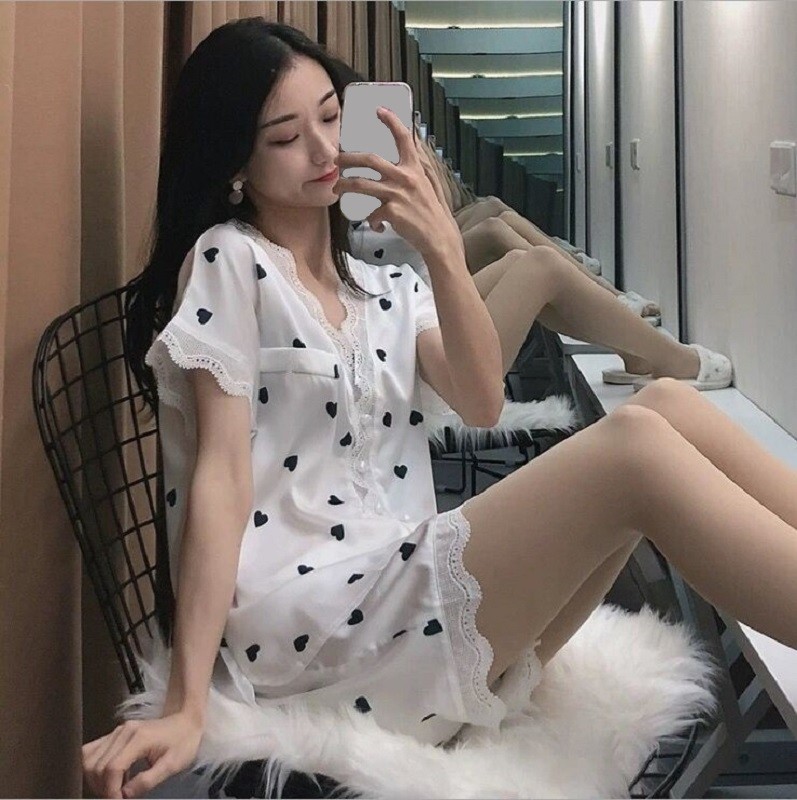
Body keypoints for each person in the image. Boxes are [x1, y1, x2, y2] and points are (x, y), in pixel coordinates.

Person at [83, 18, 797, 800]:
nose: (324, 150)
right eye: (286, 137)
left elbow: (481, 400)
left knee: (664, 402)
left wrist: (442, 252)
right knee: (633, 448)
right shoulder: (232, 259)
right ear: (234, 165)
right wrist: (188, 703)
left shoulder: (381, 286)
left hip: (403, 600)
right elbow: (218, 479)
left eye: (332, 117)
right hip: (312, 629)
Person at [351, 133, 726, 389]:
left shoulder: (359, 186)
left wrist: (425, 167)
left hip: (410, 302)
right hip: (402, 328)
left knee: (523, 254)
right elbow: (439, 229)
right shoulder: (343, 202)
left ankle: (635, 347)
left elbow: (441, 225)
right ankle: (670, 357)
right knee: (534, 262)